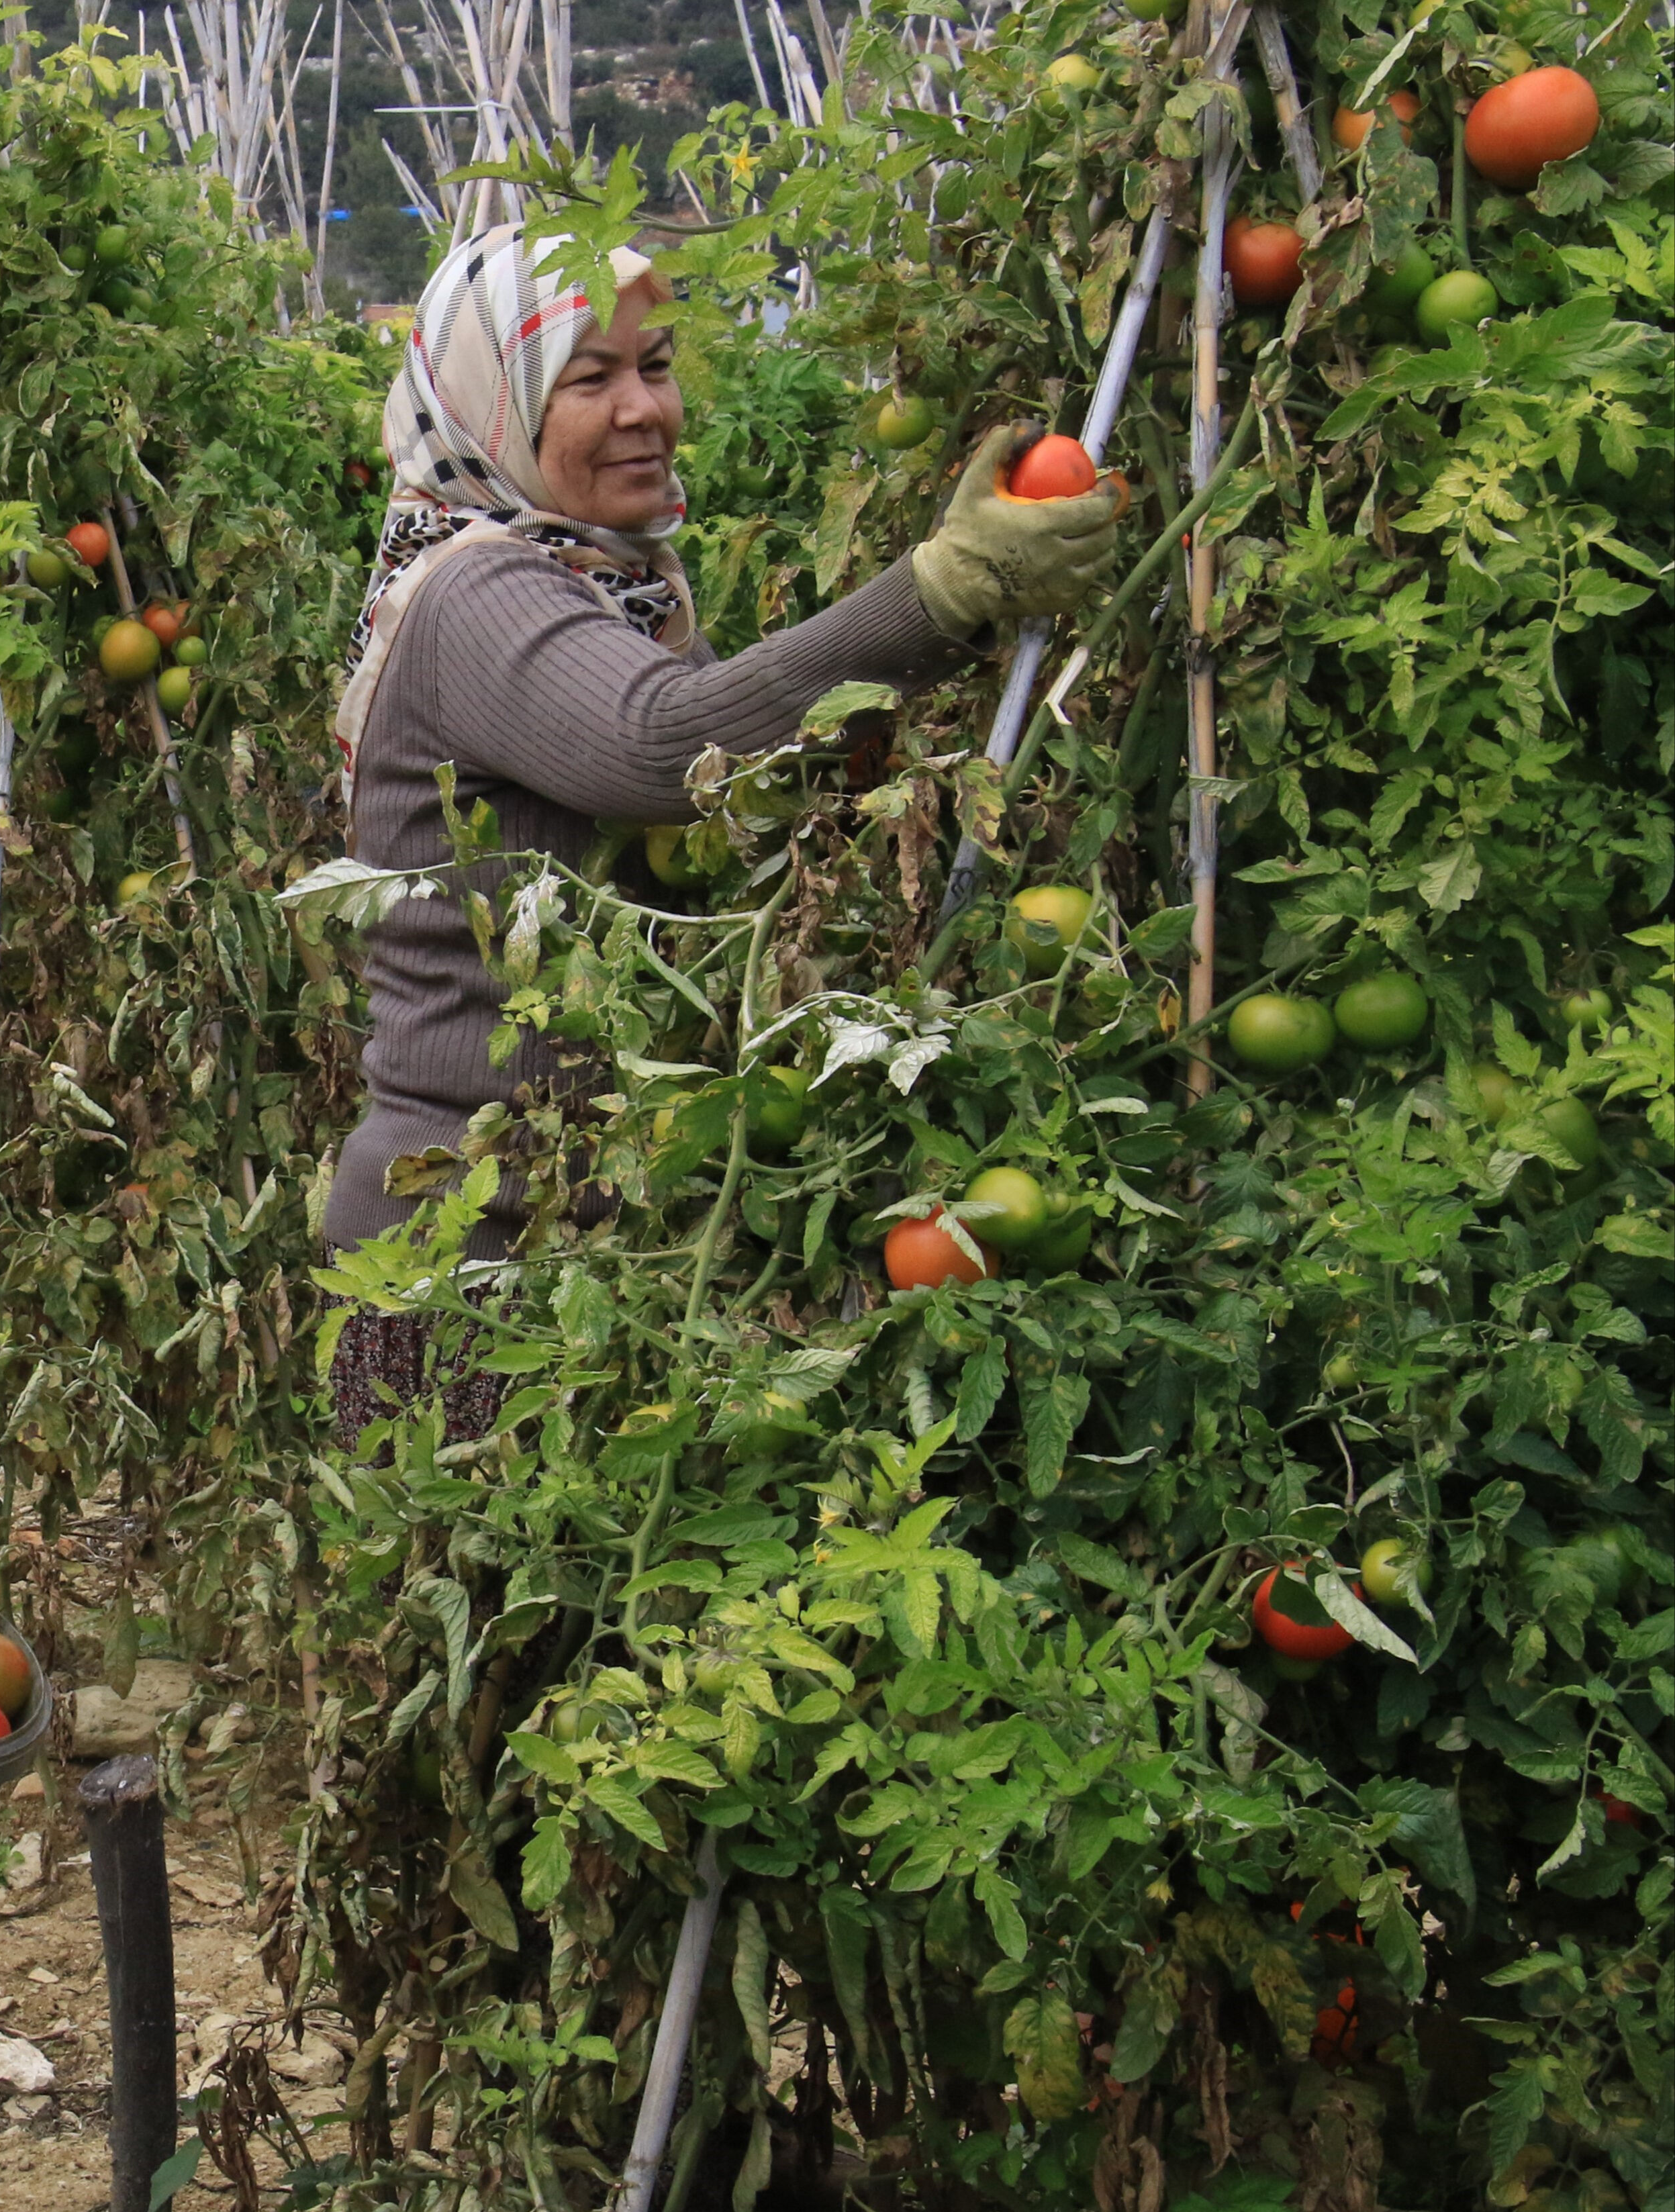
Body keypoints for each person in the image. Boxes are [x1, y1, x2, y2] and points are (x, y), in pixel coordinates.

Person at [322, 226, 1120, 1445]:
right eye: (590, 380)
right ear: (492, 406)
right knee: (478, 1607)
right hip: (469, 1246)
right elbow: (664, 748)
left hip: (582, 1236)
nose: (644, 409)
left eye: (657, 363)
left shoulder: (612, 585)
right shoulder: (476, 594)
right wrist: (943, 589)